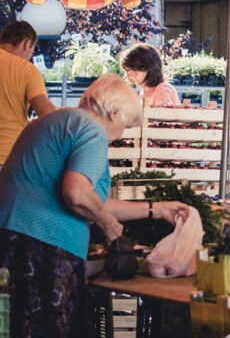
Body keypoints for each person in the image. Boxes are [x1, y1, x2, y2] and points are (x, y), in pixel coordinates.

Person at [0, 74, 186, 337]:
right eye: (125, 125)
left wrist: (156, 209)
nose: (121, 135)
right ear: (113, 113)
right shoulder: (91, 130)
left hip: (11, 244)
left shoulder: (53, 121)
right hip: (43, 251)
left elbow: (92, 201)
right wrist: (109, 226)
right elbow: (76, 193)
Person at [0, 21, 56, 165]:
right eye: (31, 51)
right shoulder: (26, 69)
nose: (30, 56)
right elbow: (46, 113)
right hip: (7, 156)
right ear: (26, 43)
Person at [119, 43, 180, 108]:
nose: (131, 74)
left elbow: (165, 117)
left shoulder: (163, 90)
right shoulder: (145, 90)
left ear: (151, 68)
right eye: (128, 70)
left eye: (135, 69)